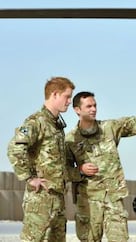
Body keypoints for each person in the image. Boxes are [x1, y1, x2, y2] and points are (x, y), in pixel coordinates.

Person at [65, 91, 136, 242]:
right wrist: (80, 170)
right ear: (77, 110)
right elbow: (63, 171)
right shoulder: (70, 140)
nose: (93, 109)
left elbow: (132, 124)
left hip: (113, 197)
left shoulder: (109, 128)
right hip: (88, 202)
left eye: (95, 105)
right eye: (88, 106)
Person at [7, 76, 76, 242]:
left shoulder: (56, 125)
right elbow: (14, 149)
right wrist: (30, 178)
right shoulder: (36, 122)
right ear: (54, 94)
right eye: (67, 97)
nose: (69, 102)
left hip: (57, 198)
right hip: (40, 200)